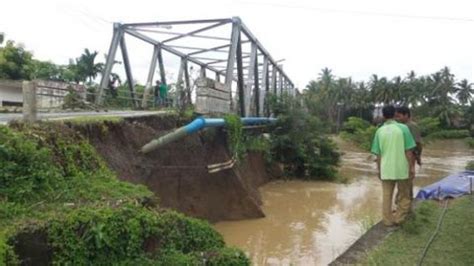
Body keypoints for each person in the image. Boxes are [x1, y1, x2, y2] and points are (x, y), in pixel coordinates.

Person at [371, 105, 416, 226]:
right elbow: (408, 151)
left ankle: (387, 221)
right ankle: (399, 218)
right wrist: (411, 167)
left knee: (387, 196)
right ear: (395, 114)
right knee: (404, 195)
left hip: (386, 169)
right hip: (402, 168)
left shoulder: (379, 131)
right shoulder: (403, 128)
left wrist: (379, 170)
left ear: (383, 115)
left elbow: (378, 155)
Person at [395, 106, 423, 202]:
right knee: (403, 180)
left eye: (399, 116)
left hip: (409, 156)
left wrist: (418, 158)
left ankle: (405, 201)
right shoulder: (400, 126)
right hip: (401, 156)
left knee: (407, 179)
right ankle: (403, 200)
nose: (397, 119)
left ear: (406, 115)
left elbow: (417, 144)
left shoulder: (412, 126)